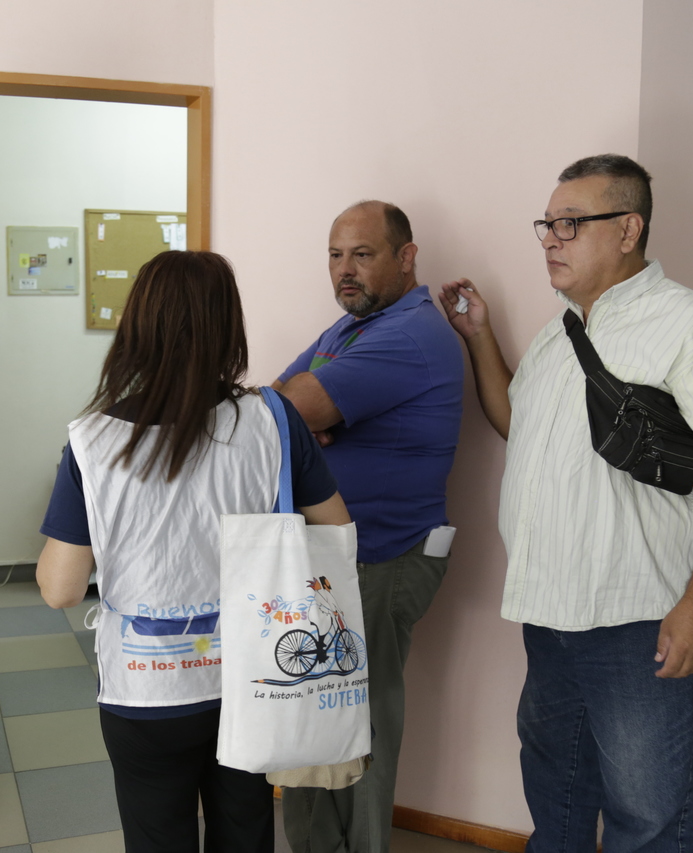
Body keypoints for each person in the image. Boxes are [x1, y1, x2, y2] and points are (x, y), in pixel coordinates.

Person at [440, 154, 693, 852]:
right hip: (551, 614)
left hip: (641, 622)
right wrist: (479, 337)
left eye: (570, 223)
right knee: (557, 796)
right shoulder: (559, 333)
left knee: (647, 818)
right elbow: (516, 422)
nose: (550, 239)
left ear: (629, 229)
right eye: (546, 224)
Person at [36, 250, 350, 853]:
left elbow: (61, 589)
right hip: (253, 678)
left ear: (136, 327)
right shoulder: (273, 420)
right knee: (246, 830)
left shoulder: (92, 441)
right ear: (228, 327)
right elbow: (336, 528)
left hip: (145, 691)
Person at [273, 201, 464, 853]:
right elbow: (276, 400)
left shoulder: (408, 332)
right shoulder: (351, 325)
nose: (344, 270)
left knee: (363, 721)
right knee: (315, 711)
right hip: (333, 558)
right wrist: (301, 416)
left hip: (383, 557)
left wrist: (305, 417)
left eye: (362, 254)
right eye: (335, 255)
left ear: (406, 257)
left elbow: (291, 407)